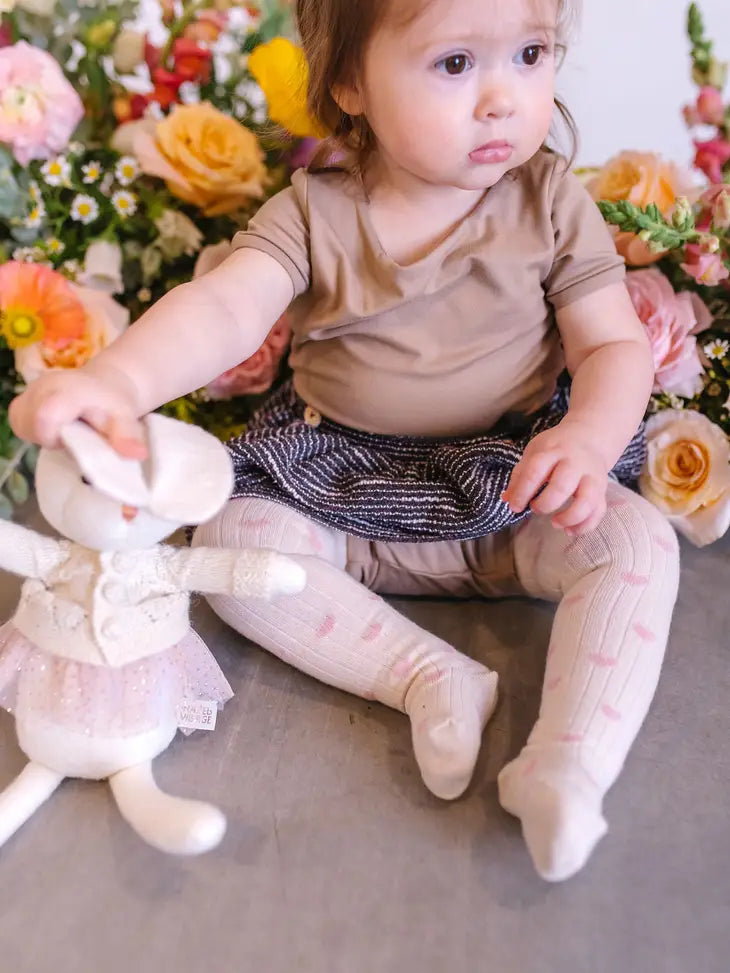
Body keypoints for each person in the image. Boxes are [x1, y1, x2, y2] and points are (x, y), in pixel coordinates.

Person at [9, 0, 680, 881]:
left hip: (515, 486)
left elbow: (612, 346)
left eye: (530, 53)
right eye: (454, 64)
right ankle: (428, 676)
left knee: (640, 542)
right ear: (351, 82)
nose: (502, 99)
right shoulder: (315, 213)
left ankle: (569, 763)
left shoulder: (549, 199)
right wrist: (117, 383)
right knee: (234, 540)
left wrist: (587, 439)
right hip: (341, 487)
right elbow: (224, 308)